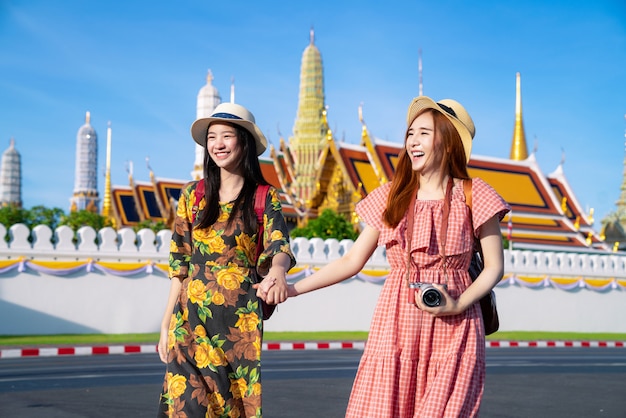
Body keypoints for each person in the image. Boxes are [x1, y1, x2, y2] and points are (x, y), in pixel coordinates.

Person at [259, 96, 510, 417]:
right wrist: (293, 290)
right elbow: (351, 261)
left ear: (447, 144)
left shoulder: (475, 194)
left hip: (456, 328)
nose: (413, 141)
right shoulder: (393, 197)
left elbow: (493, 268)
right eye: (411, 133)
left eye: (424, 133)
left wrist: (459, 303)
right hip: (396, 327)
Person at [157, 102, 296, 417]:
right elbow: (178, 265)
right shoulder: (192, 197)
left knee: (229, 408)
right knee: (186, 407)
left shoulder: (263, 197)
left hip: (238, 325)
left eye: (227, 136)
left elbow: (279, 246)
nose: (218, 144)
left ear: (244, 142)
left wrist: (277, 273)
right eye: (212, 137)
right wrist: (165, 324)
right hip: (189, 319)